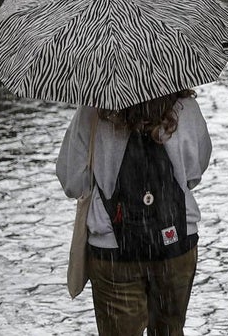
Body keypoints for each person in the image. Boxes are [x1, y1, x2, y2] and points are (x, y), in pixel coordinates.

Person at [56, 89, 212, 336]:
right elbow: (195, 172)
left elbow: (72, 181)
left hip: (113, 251)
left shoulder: (93, 111)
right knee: (170, 330)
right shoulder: (185, 107)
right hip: (176, 242)